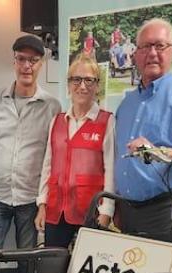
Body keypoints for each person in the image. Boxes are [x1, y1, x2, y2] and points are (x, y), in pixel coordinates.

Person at [0, 34, 61, 273]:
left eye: (33, 60)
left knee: (28, 264)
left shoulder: (52, 106)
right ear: (14, 62)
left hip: (29, 199)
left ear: (41, 64)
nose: (27, 66)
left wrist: (43, 199)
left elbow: (52, 155)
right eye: (22, 59)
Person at [113, 18, 172, 237]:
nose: (152, 53)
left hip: (162, 211)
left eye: (160, 46)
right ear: (136, 54)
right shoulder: (126, 104)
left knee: (160, 272)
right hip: (125, 209)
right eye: (146, 47)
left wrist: (158, 152)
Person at [35, 54, 115, 248]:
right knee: (53, 270)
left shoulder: (107, 121)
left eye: (89, 80)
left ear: (97, 86)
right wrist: (42, 204)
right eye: (76, 79)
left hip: (89, 212)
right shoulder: (57, 120)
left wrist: (107, 211)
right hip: (56, 210)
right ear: (69, 85)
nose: (82, 86)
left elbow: (111, 170)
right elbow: (48, 165)